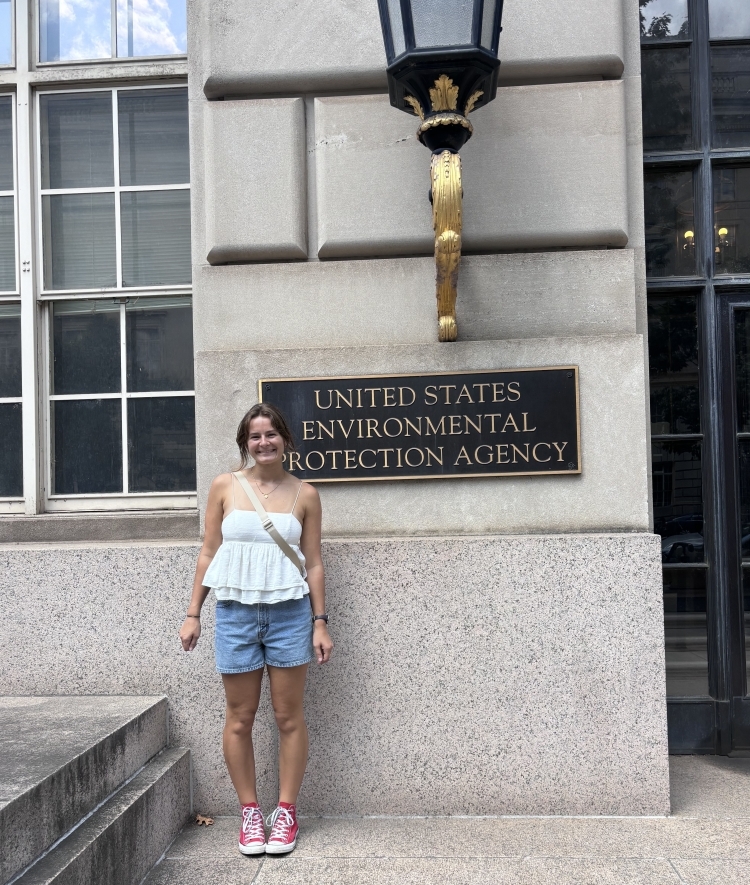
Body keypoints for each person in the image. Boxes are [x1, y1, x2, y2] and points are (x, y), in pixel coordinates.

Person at [179, 402, 333, 855]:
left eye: (271, 434)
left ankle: (285, 812)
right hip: (234, 613)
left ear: (285, 439)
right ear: (245, 443)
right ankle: (249, 814)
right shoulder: (225, 486)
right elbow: (209, 551)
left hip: (289, 614)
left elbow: (315, 562)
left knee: (289, 717)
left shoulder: (305, 493)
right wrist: (194, 613)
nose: (263, 442)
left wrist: (320, 622)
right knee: (240, 717)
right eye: (255, 436)